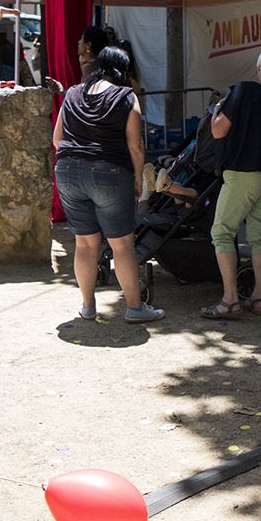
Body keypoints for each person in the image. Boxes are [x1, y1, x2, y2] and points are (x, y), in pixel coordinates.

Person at [53, 45, 164, 323]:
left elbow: (57, 139)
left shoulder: (72, 93)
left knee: (85, 244)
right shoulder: (126, 96)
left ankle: (88, 307)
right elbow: (136, 145)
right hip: (110, 172)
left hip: (67, 171)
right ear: (123, 70)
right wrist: (138, 179)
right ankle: (135, 308)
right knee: (122, 244)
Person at [200, 42, 261, 319]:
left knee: (221, 232)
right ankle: (258, 296)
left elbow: (219, 132)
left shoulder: (245, 90)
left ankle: (230, 299)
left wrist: (215, 114)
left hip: (243, 173)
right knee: (258, 235)